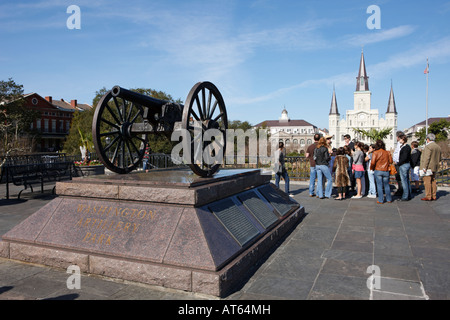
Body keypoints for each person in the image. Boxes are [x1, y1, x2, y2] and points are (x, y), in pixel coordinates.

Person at [420, 133, 442, 201]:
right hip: (434, 166)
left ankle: (428, 196)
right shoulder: (438, 146)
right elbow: (439, 157)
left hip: (428, 167)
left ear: (428, 139)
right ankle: (434, 195)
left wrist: (424, 167)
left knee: (427, 182)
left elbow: (427, 157)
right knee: (433, 181)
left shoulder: (428, 146)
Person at [370, 140, 393, 204]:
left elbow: (373, 162)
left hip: (378, 170)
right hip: (386, 170)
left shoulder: (375, 152)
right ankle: (389, 199)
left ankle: (381, 200)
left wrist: (371, 168)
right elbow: (391, 161)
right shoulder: (387, 152)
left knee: (379, 185)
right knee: (386, 185)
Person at [397, 135, 412, 201]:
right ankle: (408, 194)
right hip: (406, 164)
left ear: (403, 140)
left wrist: (399, 163)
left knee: (404, 181)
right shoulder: (407, 147)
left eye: (400, 139)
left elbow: (404, 157)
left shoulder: (405, 147)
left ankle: (405, 196)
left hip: (404, 164)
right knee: (406, 180)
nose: (399, 140)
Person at [392, 131, 405, 196]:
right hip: (397, 162)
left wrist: (396, 161)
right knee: (398, 177)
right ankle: (400, 189)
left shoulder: (401, 144)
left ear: (398, 137)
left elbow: (399, 154)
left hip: (399, 163)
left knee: (399, 177)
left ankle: (401, 190)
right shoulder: (398, 144)